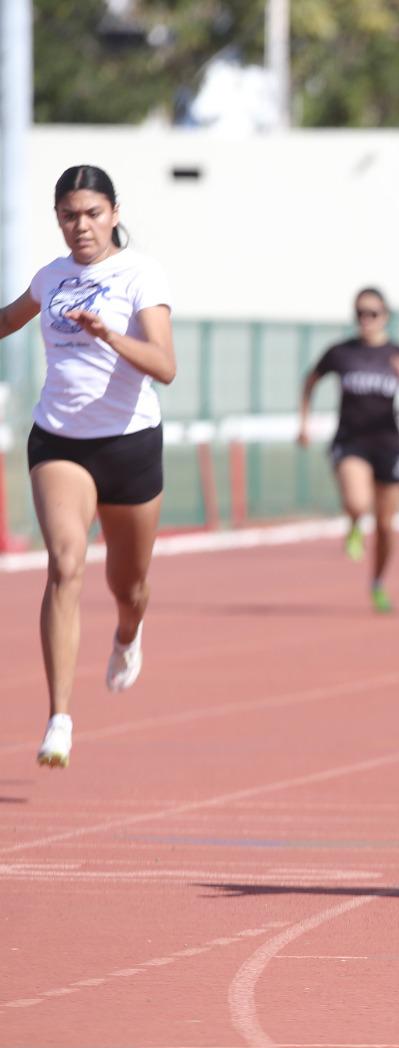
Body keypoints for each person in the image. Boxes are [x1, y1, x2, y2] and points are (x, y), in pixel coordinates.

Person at [0, 165, 175, 769]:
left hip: (128, 445)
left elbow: (165, 365)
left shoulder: (141, 274)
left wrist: (109, 336)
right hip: (60, 441)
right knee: (66, 564)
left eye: (93, 214)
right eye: (70, 215)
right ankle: (60, 719)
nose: (82, 226)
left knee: (129, 587)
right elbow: (8, 320)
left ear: (114, 214)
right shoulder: (50, 277)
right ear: (58, 219)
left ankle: (128, 633)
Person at [297, 288, 399, 613]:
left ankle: (378, 582)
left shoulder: (397, 353)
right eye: (360, 313)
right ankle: (355, 522)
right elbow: (310, 380)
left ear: (386, 316)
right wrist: (304, 422)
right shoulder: (341, 352)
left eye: (372, 313)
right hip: (350, 440)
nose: (366, 319)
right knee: (358, 501)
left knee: (385, 525)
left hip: (388, 444)